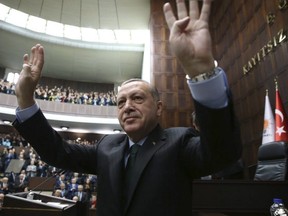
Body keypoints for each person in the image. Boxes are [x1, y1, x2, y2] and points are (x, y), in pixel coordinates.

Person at [12, 0, 242, 215]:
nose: (128, 106)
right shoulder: (107, 147)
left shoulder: (179, 142)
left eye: (138, 99)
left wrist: (202, 73)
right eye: (121, 102)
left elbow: (222, 153)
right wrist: (26, 101)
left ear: (159, 108)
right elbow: (57, 152)